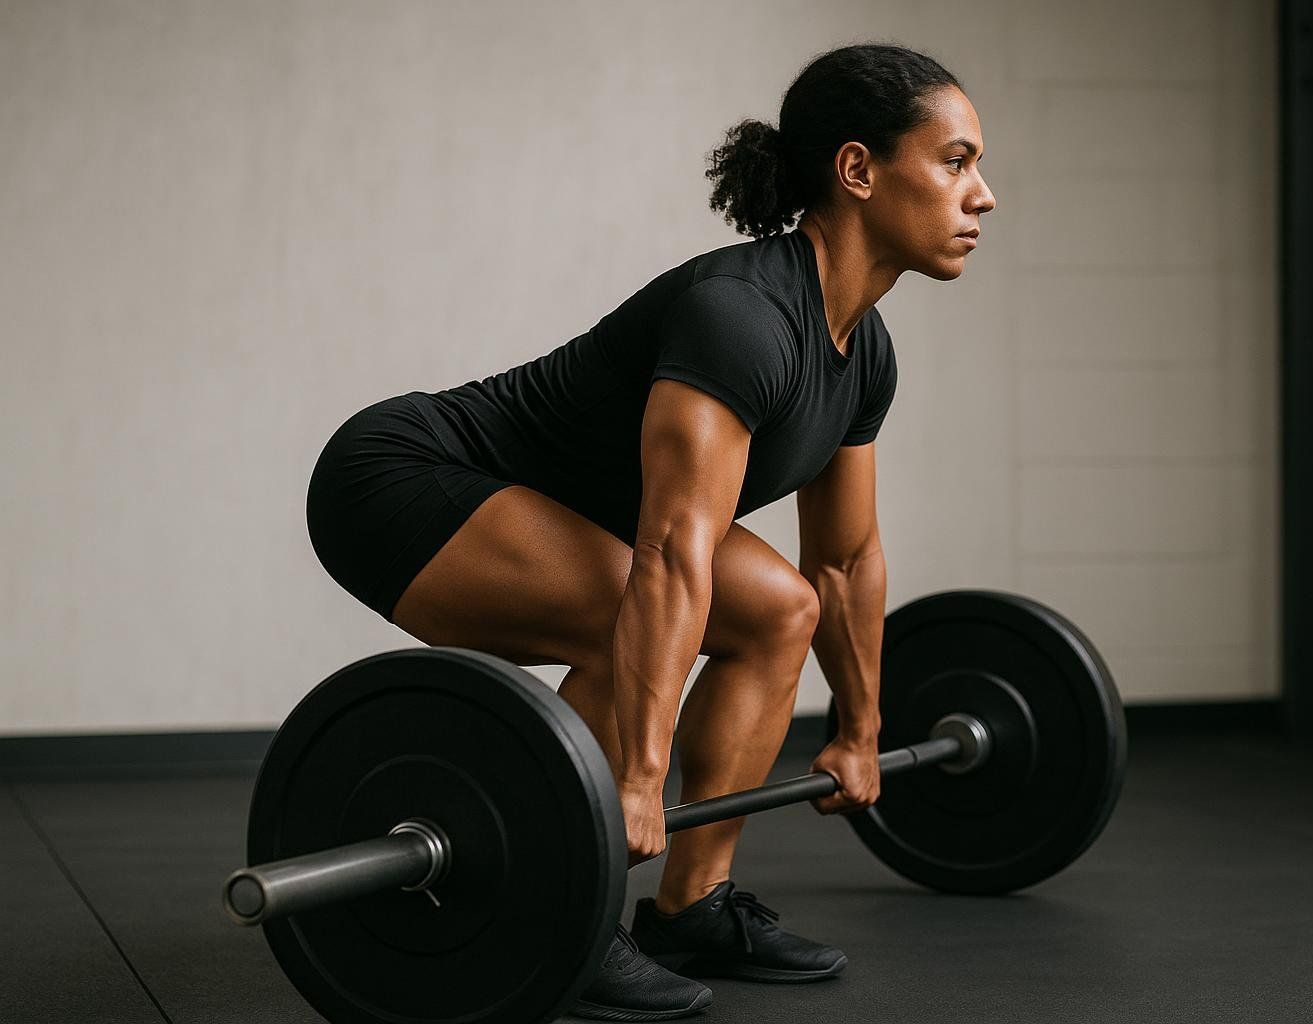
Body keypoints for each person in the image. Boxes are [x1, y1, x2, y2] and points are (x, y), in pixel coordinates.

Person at [305, 40, 993, 1022]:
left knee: (781, 610)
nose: (984, 196)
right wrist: (634, 777)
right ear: (858, 169)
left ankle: (696, 903)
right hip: (403, 480)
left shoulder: (862, 353)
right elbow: (670, 554)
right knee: (623, 617)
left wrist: (862, 730)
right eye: (957, 161)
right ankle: (558, 910)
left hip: (567, 512)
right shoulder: (742, 317)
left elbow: (841, 563)